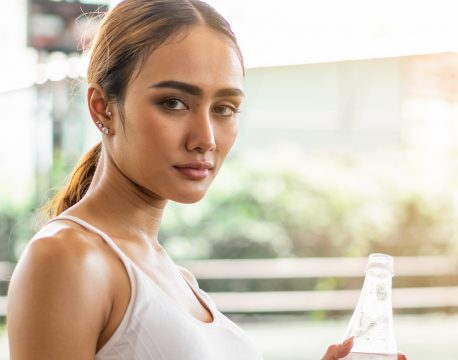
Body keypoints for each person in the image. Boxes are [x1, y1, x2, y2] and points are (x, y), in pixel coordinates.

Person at [6, 1, 407, 359]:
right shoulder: (66, 259)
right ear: (102, 108)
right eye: (174, 103)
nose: (206, 139)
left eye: (225, 108)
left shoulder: (176, 279)